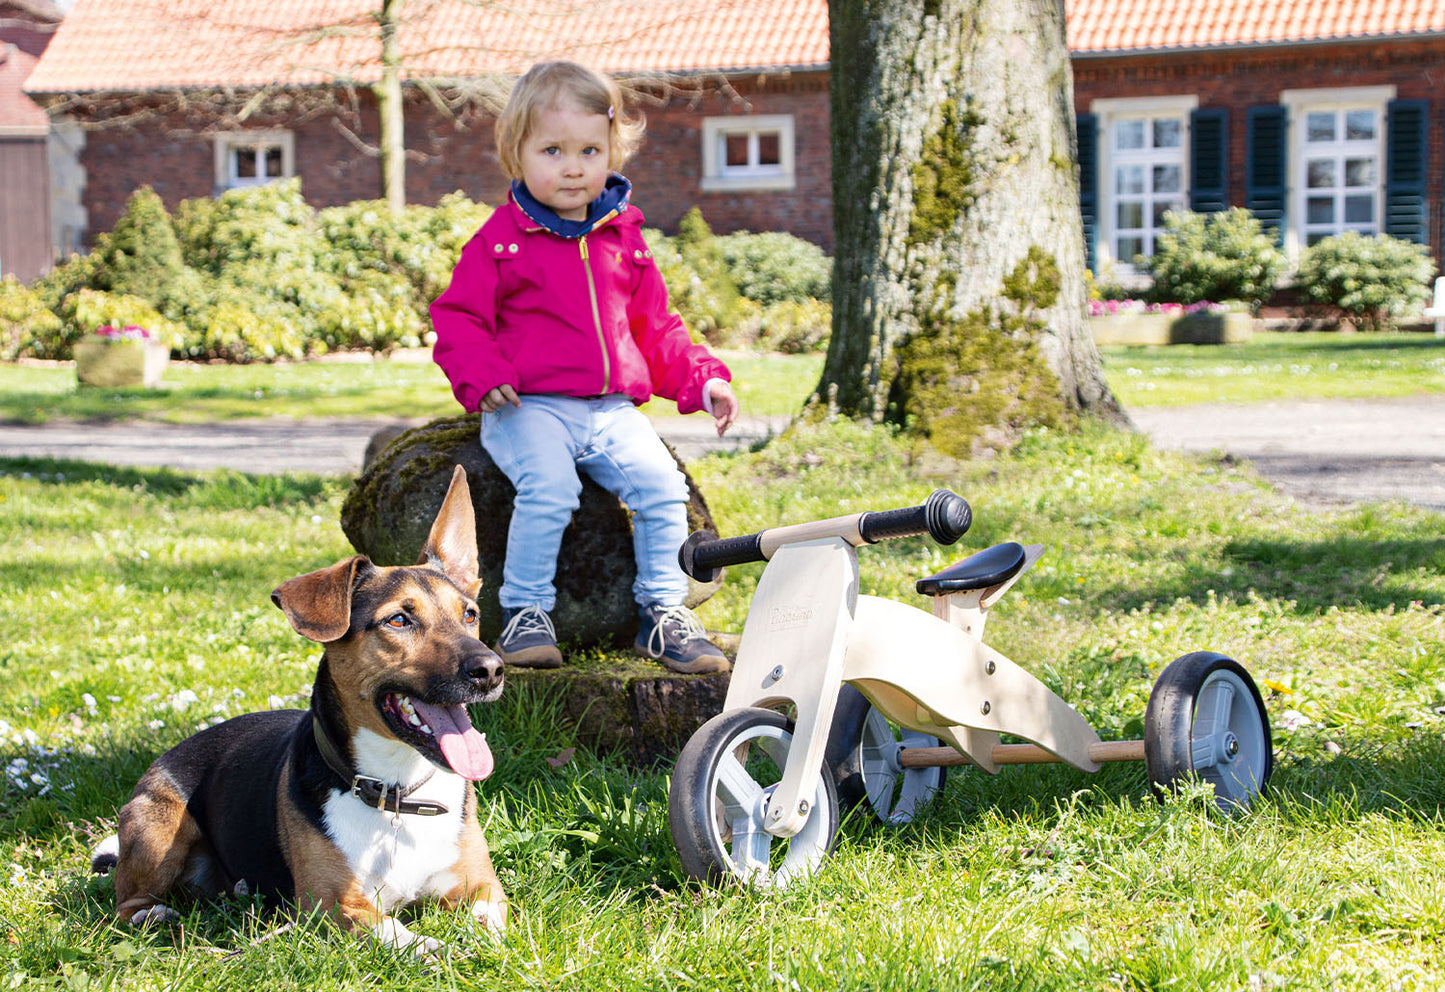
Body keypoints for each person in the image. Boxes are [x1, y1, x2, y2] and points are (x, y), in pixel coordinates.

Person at [431, 61, 739, 675]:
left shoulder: (623, 238)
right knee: (550, 489)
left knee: (661, 486)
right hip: (529, 407)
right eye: (552, 150)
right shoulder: (501, 239)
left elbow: (657, 329)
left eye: (589, 150)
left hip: (611, 411)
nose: (573, 167)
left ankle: (664, 614)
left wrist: (703, 377)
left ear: (612, 150)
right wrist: (483, 373)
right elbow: (458, 318)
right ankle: (524, 613)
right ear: (515, 153)